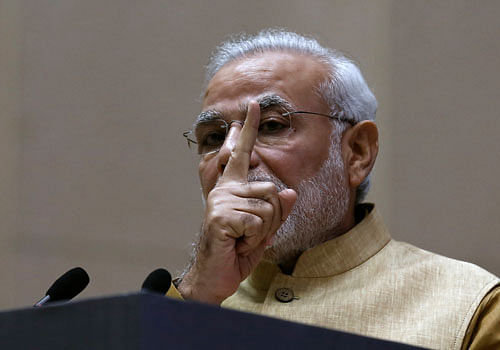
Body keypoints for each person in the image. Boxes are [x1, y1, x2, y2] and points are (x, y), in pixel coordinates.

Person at [173, 29, 500, 349]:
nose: (230, 153)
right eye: (213, 138)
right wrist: (197, 293)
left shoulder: (473, 309)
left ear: (357, 152)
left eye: (271, 126)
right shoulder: (183, 303)